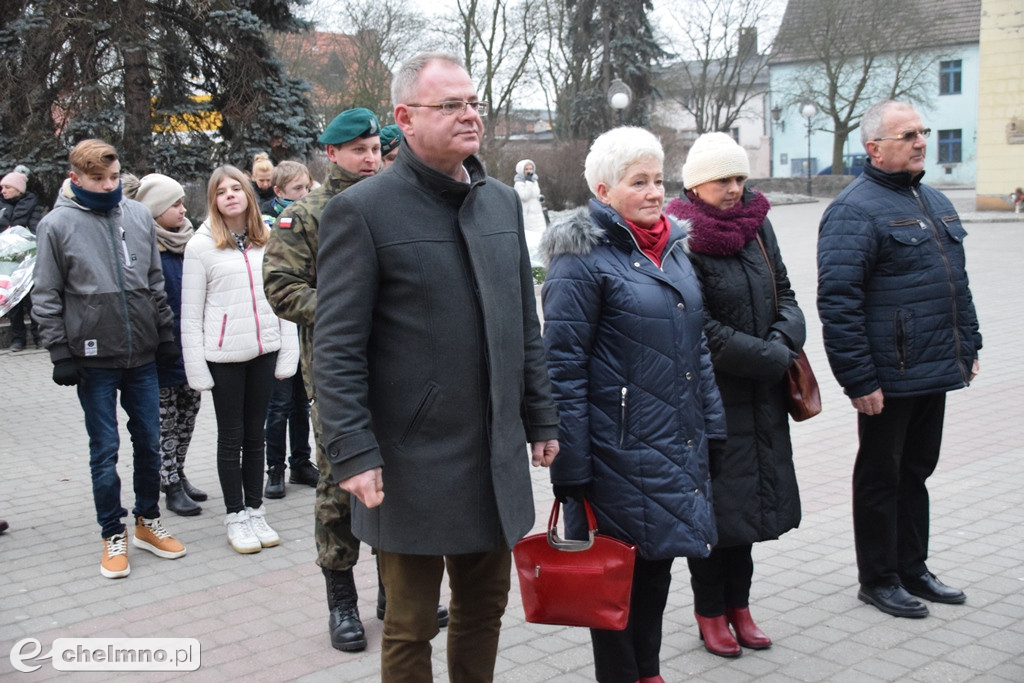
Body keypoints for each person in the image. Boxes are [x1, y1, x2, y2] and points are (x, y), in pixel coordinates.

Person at [312, 53, 560, 682]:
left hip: (493, 454)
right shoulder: (362, 211)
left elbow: (522, 325)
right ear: (406, 118)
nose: (469, 115)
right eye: (450, 105)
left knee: (485, 610)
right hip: (409, 459)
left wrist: (541, 415)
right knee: (410, 624)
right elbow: (337, 347)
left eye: (472, 103)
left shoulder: (501, 204)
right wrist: (353, 450)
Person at [540, 126, 725, 683]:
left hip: (674, 442)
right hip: (615, 453)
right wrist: (571, 468)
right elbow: (562, 369)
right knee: (613, 583)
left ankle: (649, 671)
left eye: (658, 180)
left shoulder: (672, 248)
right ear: (602, 189)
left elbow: (696, 347)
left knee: (656, 570)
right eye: (637, 181)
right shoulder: (581, 259)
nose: (652, 192)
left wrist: (713, 425)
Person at [818, 100, 981, 618]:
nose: (920, 141)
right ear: (874, 148)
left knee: (916, 470)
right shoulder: (852, 210)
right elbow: (838, 303)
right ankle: (879, 578)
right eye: (907, 134)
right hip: (889, 376)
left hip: (934, 364)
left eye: (923, 132)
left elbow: (956, 283)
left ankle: (913, 567)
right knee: (880, 477)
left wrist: (968, 344)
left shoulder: (933, 200)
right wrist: (858, 379)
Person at [665, 132, 804, 656]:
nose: (734, 188)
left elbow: (785, 293)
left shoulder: (759, 226)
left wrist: (784, 339)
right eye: (724, 179)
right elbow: (696, 326)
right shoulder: (681, 236)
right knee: (715, 512)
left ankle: (740, 606)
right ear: (696, 183)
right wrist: (768, 357)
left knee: (750, 511)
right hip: (713, 398)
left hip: (763, 396)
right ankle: (709, 612)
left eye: (740, 178)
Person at [263, 107, 392, 652]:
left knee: (397, 478)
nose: (370, 159)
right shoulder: (308, 214)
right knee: (340, 483)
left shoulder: (396, 203)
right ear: (332, 153)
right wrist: (346, 308)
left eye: (375, 149)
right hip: (338, 372)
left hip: (398, 366)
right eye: (358, 150)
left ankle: (397, 590)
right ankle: (343, 602)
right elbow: (281, 287)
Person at [32, 139, 187, 578]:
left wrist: (165, 334)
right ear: (75, 178)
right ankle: (111, 531)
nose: (108, 187)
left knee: (150, 442)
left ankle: (147, 520)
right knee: (105, 449)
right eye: (98, 180)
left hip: (142, 354)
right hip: (92, 357)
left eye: (114, 178)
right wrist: (59, 351)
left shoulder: (137, 215)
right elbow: (45, 293)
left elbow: (154, 281)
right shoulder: (56, 225)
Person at [181, 165, 298, 555]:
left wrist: (288, 350)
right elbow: (190, 313)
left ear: (248, 194)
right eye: (221, 191)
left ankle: (256, 508)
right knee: (231, 437)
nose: (230, 195)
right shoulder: (201, 246)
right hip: (224, 356)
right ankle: (235, 515)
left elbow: (282, 299)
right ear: (213, 200)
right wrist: (196, 365)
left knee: (257, 434)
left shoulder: (265, 240)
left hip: (264, 349)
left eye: (237, 188)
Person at [135, 173, 207, 517]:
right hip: (160, 349)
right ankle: (170, 484)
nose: (182, 210)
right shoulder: (144, 245)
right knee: (166, 419)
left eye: (182, 203)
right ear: (155, 209)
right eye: (174, 204)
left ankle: (178, 471)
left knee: (188, 416)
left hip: (190, 347)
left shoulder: (190, 241)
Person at [260, 160, 318, 499]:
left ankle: (301, 462)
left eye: (308, 188)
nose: (305, 195)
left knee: (302, 402)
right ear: (279, 192)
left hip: (305, 336)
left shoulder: (313, 221)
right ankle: (275, 469)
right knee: (278, 405)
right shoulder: (273, 226)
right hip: (280, 330)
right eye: (297, 190)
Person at [1, 170, 44, 351]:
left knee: (31, 299)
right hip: (7, 259)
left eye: (7, 187)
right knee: (13, 302)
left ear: (18, 189)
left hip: (28, 259)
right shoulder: (1, 205)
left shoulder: (31, 203)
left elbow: (36, 229)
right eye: (2, 187)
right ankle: (18, 339)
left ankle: (39, 337)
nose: (3, 190)